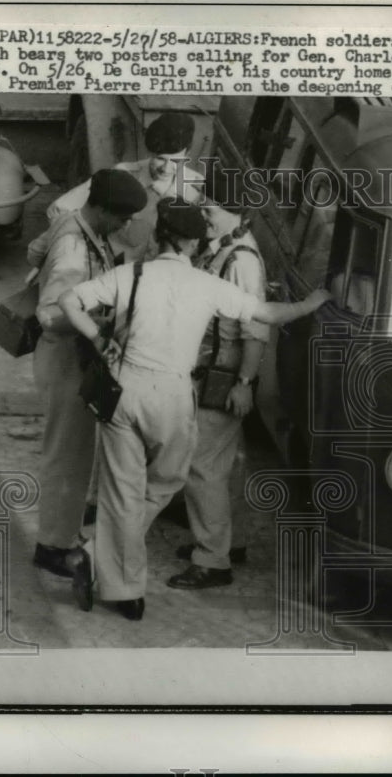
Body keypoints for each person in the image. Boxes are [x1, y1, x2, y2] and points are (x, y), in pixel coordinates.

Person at [58, 197, 331, 620]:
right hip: (172, 394)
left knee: (120, 491)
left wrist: (98, 338)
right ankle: (99, 560)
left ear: (158, 236)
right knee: (167, 482)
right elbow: (268, 314)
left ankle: (121, 586)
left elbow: (70, 300)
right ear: (191, 245)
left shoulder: (130, 274)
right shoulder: (209, 285)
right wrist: (313, 302)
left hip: (123, 387)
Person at [29, 169, 148, 577]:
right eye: (122, 216)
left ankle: (60, 533)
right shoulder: (74, 248)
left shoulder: (72, 221)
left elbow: (32, 250)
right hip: (67, 360)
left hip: (69, 358)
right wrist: (98, 320)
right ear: (99, 208)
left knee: (73, 453)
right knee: (68, 455)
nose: (125, 224)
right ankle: (53, 545)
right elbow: (48, 313)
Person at [170, 171, 270, 590]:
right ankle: (232, 543)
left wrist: (244, 382)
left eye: (212, 208)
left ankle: (212, 560)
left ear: (238, 213)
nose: (205, 215)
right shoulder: (224, 249)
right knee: (225, 464)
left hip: (222, 377)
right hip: (214, 372)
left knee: (203, 466)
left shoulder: (242, 262)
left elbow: (256, 330)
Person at [46, 112, 205, 265]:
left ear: (187, 153)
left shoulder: (196, 186)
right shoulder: (123, 174)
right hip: (113, 271)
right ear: (150, 152)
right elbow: (58, 209)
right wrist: (83, 253)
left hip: (161, 278)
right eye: (160, 159)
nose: (166, 168)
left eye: (175, 161)